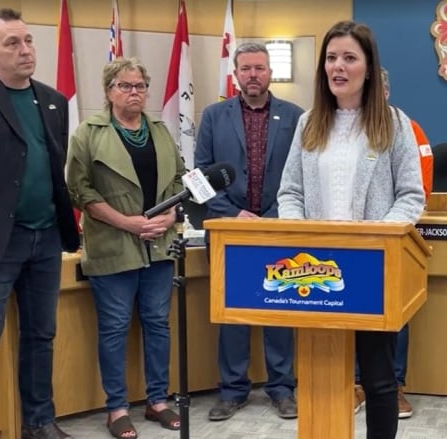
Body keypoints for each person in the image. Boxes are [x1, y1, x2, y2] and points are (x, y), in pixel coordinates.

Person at [277, 20, 424, 439]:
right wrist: (299, 231)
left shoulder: (394, 123)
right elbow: (289, 192)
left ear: (369, 67)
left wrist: (375, 238)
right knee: (321, 375)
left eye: (349, 58)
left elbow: (411, 196)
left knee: (378, 379)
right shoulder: (308, 123)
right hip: (315, 269)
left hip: (371, 266)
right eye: (331, 58)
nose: (337, 66)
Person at [66, 57, 186, 439]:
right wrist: (126, 222)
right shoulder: (89, 132)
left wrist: (168, 219)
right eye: (124, 86)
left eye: (139, 86)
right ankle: (116, 408)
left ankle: (158, 401)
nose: (133, 92)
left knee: (158, 325)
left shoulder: (162, 132)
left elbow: (181, 181)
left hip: (159, 246)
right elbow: (79, 189)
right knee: (115, 328)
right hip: (113, 245)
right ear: (108, 91)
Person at [195, 42, 302, 421]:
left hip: (279, 228)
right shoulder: (213, 116)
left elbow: (300, 174)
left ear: (270, 72)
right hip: (229, 230)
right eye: (246, 68)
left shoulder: (295, 116)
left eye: (259, 67)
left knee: (280, 309)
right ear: (236, 74)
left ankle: (282, 388)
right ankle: (232, 389)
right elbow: (200, 177)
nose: (253, 74)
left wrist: (274, 216)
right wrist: (233, 213)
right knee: (233, 311)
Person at [0, 8, 80, 439]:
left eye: (28, 41)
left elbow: (54, 165)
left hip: (46, 237)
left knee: (41, 336)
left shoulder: (54, 100)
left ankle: (39, 422)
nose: (25, 50)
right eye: (12, 43)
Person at [353, 66, 432, 419]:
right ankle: (354, 385)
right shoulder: (336, 128)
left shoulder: (406, 128)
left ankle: (394, 385)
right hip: (342, 245)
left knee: (393, 317)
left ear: (385, 92)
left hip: (391, 242)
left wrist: (387, 230)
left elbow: (421, 186)